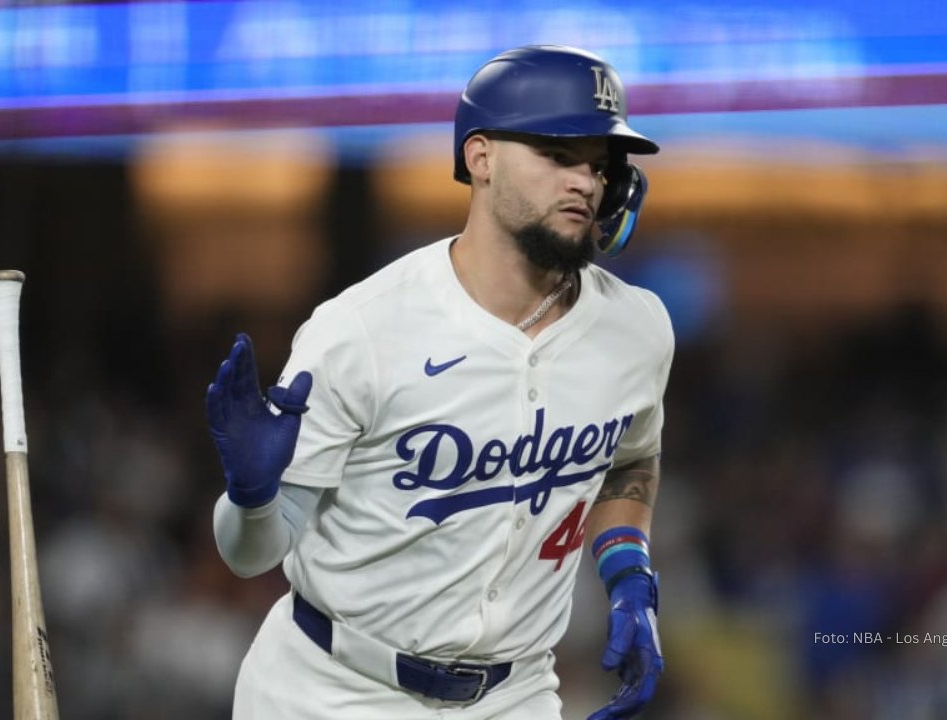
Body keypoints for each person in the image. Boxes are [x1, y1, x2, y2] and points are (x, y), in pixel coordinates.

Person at [206, 44, 674, 719]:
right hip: (334, 690)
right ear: (480, 158)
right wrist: (251, 499)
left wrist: (630, 579)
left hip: (515, 694)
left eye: (599, 164)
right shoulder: (361, 330)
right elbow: (249, 557)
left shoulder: (638, 329)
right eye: (556, 154)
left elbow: (630, 457)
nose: (584, 182)